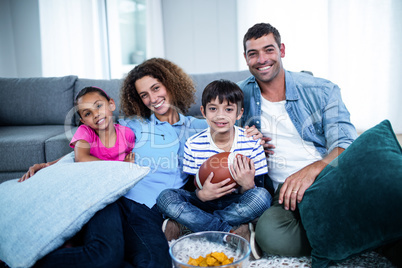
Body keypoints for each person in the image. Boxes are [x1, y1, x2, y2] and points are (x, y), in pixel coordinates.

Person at [237, 22, 358, 257]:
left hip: (326, 178)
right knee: (270, 235)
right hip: (282, 195)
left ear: (281, 50)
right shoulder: (236, 95)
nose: (261, 59)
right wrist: (243, 141)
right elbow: (214, 129)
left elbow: (346, 144)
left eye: (268, 50)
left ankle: (344, 230)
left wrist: (314, 169)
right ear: (246, 58)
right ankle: (346, 234)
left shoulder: (321, 90)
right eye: (253, 53)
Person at [156, 79, 271, 260]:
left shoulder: (251, 142)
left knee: (262, 197)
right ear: (203, 112)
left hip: (236, 201)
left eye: (228, 109)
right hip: (203, 202)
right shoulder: (193, 144)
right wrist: (202, 195)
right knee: (165, 197)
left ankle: (189, 226)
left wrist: (248, 186)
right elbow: (191, 186)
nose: (220, 115)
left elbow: (258, 188)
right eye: (213, 109)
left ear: (239, 113)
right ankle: (229, 231)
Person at [22, 86, 136, 268]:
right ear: (83, 120)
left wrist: (129, 162)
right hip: (89, 190)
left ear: (111, 104)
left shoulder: (127, 134)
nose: (96, 114)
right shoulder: (85, 133)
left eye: (99, 106)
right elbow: (80, 157)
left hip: (111, 192)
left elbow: (131, 159)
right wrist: (47, 166)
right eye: (88, 113)